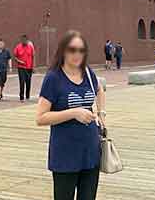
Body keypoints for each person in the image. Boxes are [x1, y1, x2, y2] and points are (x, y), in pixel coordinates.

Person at [36, 30, 105, 200]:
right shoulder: (54, 78)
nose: (77, 54)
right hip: (65, 154)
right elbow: (41, 117)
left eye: (81, 50)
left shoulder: (88, 73)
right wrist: (74, 113)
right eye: (72, 49)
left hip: (90, 150)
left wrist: (101, 113)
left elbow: (100, 90)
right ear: (63, 51)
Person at [13, 34, 35, 101]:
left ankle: (27, 96)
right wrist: (19, 61)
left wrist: (33, 66)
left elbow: (33, 56)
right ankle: (21, 97)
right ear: (21, 40)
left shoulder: (30, 47)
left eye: (25, 40)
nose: (24, 42)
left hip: (29, 67)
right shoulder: (18, 47)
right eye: (23, 40)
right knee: (22, 82)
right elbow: (15, 57)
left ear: (27, 40)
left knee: (28, 82)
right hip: (21, 67)